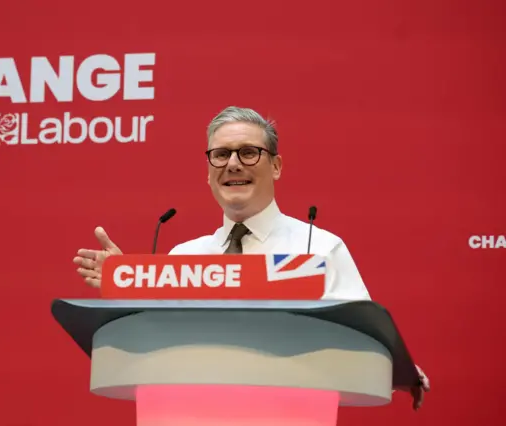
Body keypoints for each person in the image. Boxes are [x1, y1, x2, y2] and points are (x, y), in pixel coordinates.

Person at [73, 106, 430, 410]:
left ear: (275, 166)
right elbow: (156, 337)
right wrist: (129, 281)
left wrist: (398, 369)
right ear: (208, 170)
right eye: (221, 154)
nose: (232, 164)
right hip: (191, 411)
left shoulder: (319, 249)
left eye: (248, 152)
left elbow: (366, 335)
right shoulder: (183, 257)